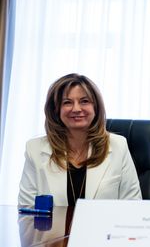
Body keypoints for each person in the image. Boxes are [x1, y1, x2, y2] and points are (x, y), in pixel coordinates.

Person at [18, 73, 142, 207]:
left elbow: (132, 206)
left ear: (96, 107)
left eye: (84, 101)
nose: (76, 109)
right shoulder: (35, 149)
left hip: (104, 222)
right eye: (67, 102)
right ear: (56, 110)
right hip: (52, 222)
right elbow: (26, 209)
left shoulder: (118, 146)